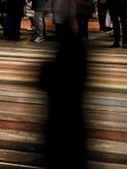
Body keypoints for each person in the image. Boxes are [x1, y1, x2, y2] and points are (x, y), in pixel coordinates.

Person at [38, 23, 87, 169]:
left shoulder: (55, 67)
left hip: (58, 121)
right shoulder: (80, 61)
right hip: (76, 122)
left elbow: (43, 82)